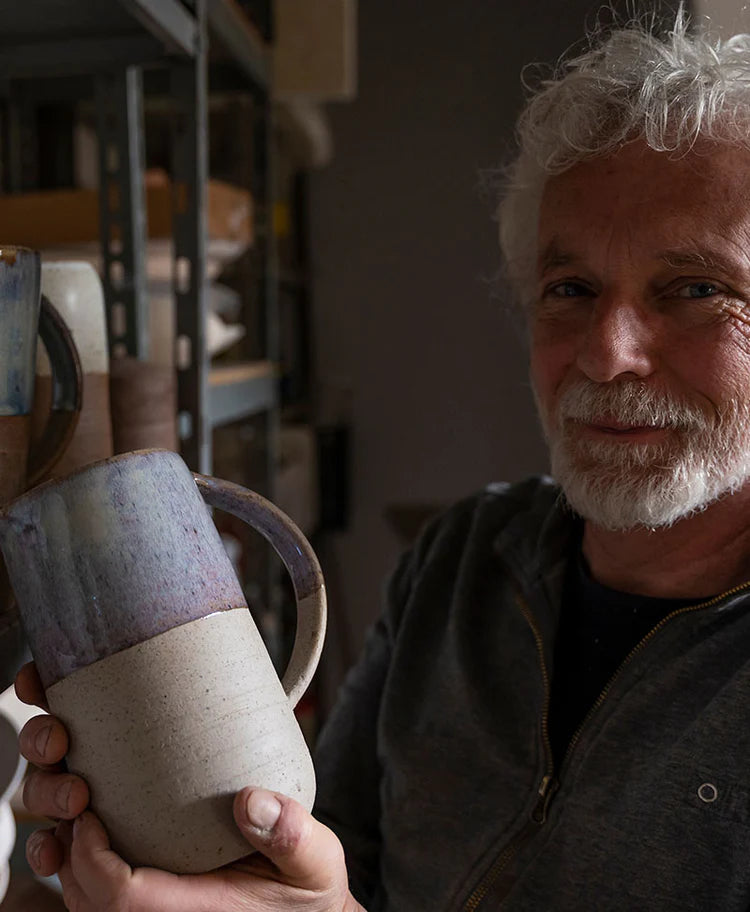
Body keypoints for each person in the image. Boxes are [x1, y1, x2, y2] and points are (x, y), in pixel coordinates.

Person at [15, 8, 750, 910]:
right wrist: (179, 845)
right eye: (571, 289)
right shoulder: (463, 561)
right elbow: (325, 857)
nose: (607, 352)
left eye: (698, 289)